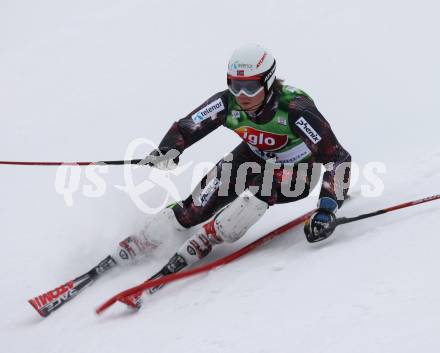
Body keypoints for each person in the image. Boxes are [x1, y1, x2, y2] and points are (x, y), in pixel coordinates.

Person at [114, 44, 351, 299]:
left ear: (268, 81)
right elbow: (187, 127)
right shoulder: (227, 103)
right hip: (252, 156)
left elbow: (337, 158)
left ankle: (214, 234)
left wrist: (327, 208)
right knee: (194, 210)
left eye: (250, 86)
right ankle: (148, 238)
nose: (241, 94)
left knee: (263, 187)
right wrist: (168, 150)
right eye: (234, 84)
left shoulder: (295, 110)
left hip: (298, 169)